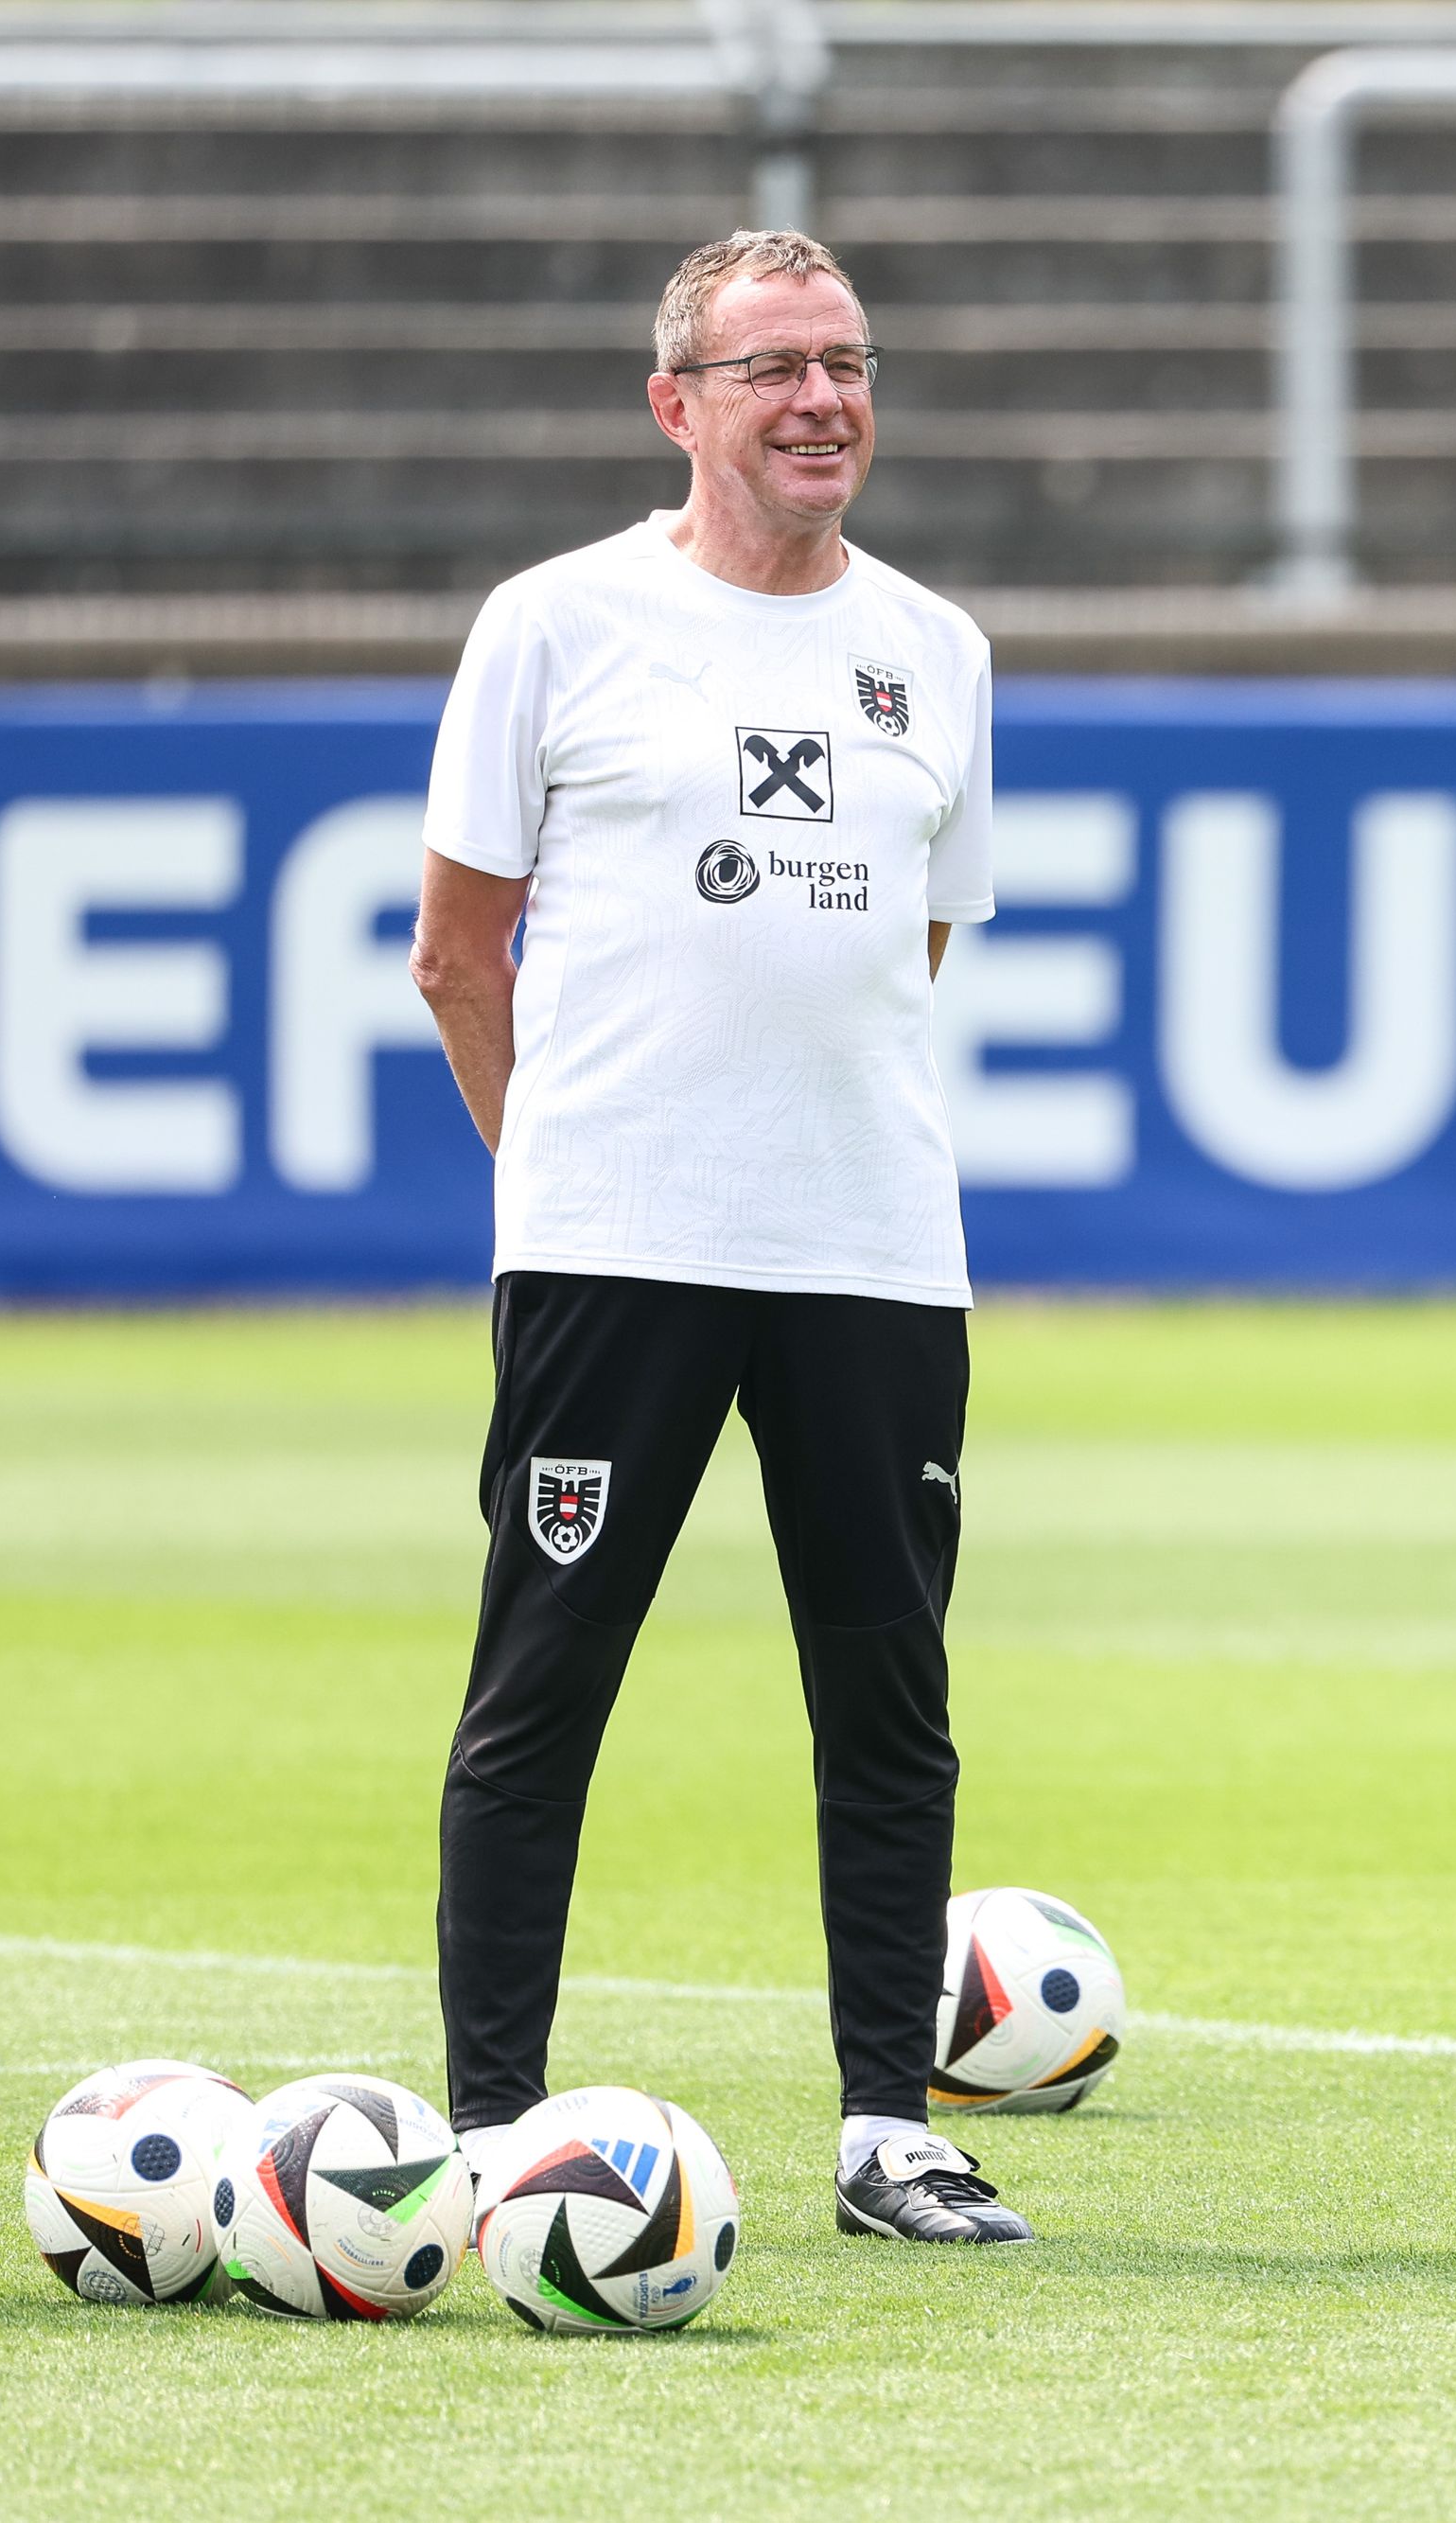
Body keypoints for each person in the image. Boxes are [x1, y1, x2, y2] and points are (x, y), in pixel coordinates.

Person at [407, 229, 1028, 2245]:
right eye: (773, 368)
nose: (822, 399)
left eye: (846, 361)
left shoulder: (936, 648)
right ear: (677, 403)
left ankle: (886, 2126)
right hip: (616, 1253)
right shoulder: (555, 624)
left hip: (869, 1251)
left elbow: (902, 951)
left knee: (888, 1693)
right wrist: (571, 1183)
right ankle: (495, 2127)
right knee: (543, 1683)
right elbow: (455, 954)